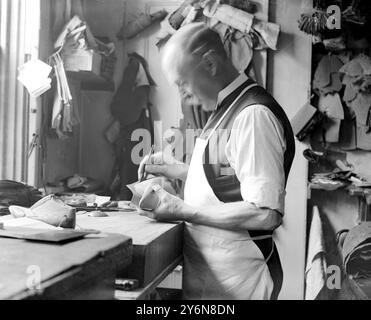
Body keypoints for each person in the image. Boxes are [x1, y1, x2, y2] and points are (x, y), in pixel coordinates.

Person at [137, 23, 296, 300]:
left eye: (182, 83)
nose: (183, 94)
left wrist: (184, 210)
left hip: (241, 284)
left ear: (209, 63)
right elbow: (229, 182)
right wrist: (175, 168)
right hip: (214, 281)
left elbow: (265, 213)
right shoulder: (226, 108)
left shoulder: (252, 115)